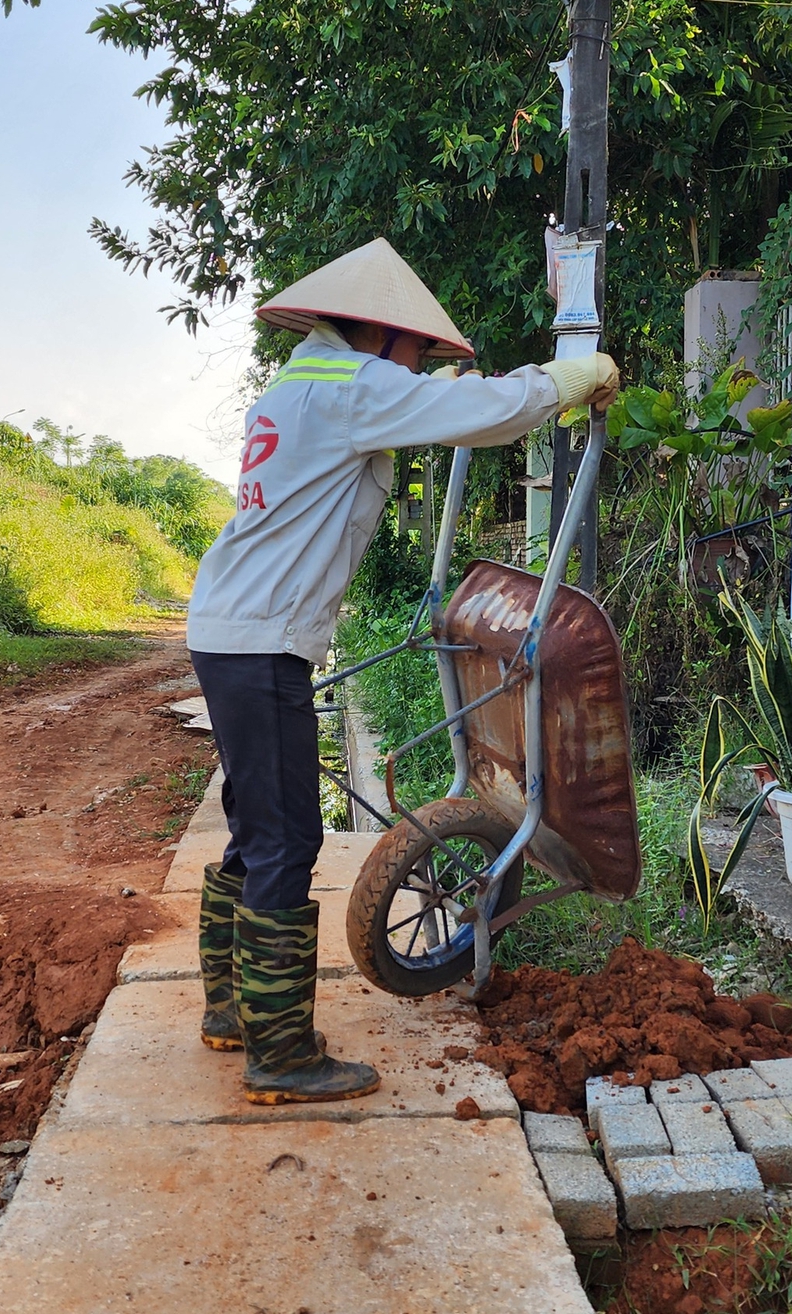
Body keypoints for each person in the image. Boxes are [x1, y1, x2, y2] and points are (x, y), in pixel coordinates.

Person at [183, 237, 619, 1105]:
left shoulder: (302, 385)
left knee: (253, 825)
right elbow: (481, 415)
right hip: (261, 639)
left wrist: (428, 394)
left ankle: (231, 1010)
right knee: (286, 840)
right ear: (382, 337)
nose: (419, 364)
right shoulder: (354, 387)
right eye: (418, 351)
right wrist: (559, 384)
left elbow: (405, 412)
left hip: (228, 628)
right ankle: (280, 1053)